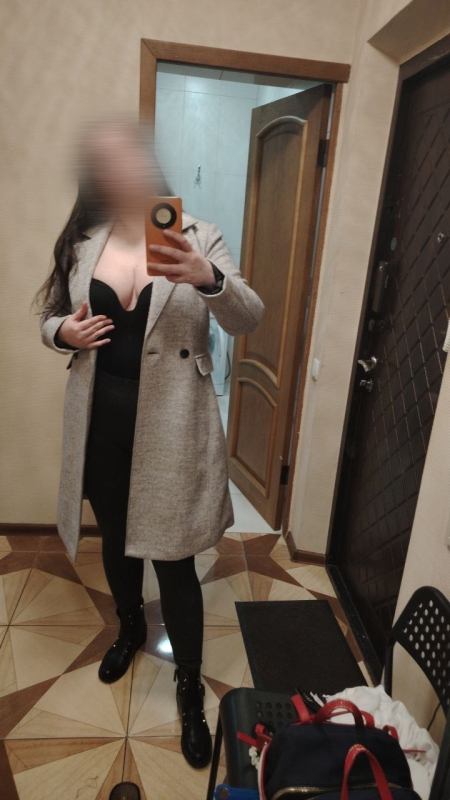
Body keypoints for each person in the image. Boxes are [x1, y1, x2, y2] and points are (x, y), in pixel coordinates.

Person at [36, 120, 264, 768]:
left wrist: (208, 277)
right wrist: (63, 334)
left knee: (174, 561)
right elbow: (49, 316)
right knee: (115, 540)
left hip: (171, 427)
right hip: (99, 422)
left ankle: (189, 688)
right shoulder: (84, 241)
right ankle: (130, 626)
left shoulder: (196, 235)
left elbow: (248, 315)